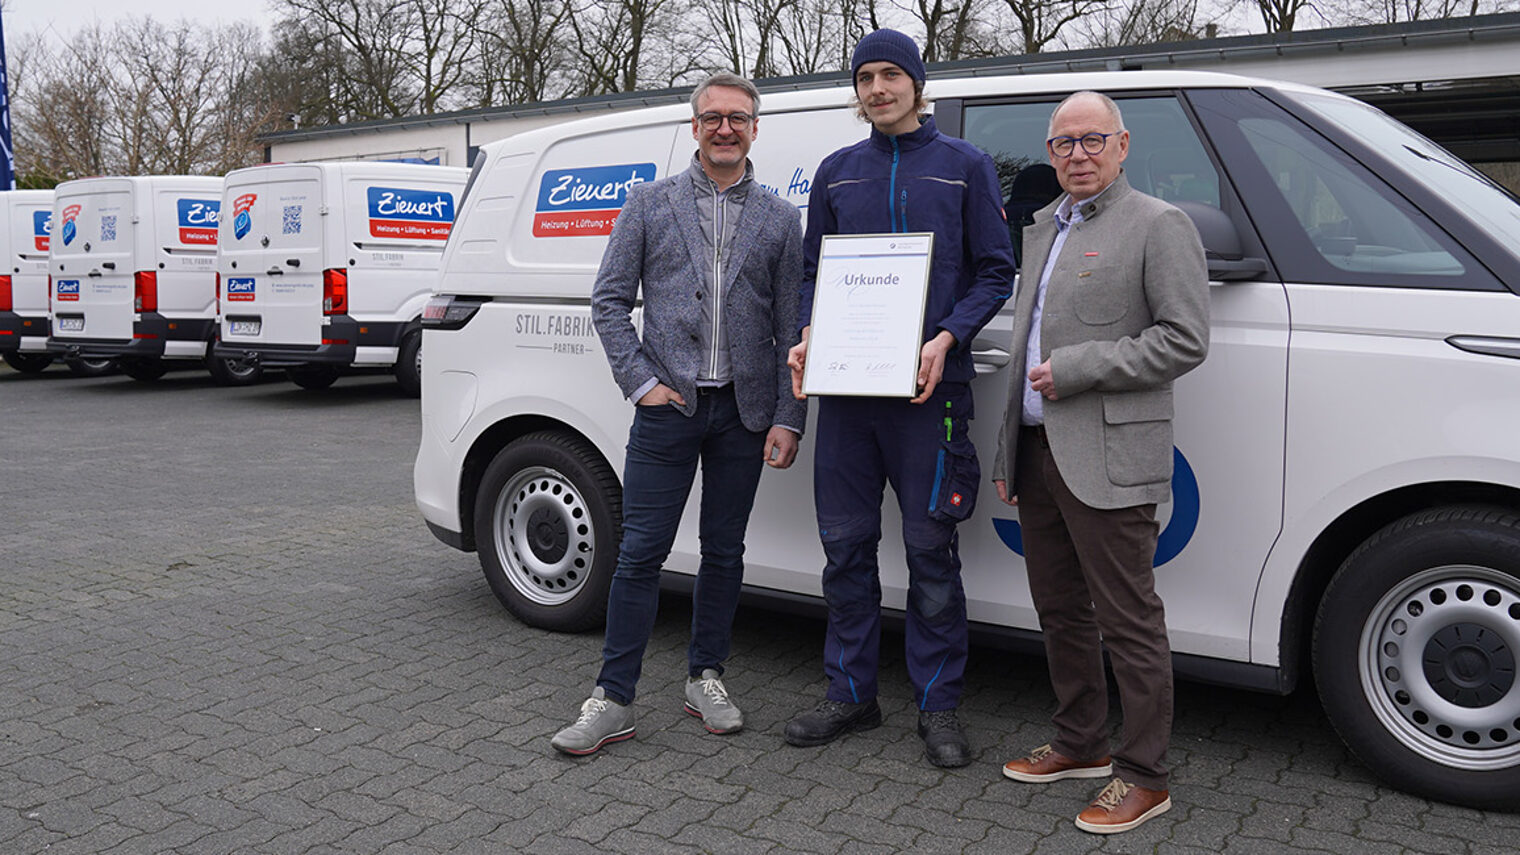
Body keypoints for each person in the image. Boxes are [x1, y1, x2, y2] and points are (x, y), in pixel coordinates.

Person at [552, 71, 806, 756]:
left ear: (756, 127)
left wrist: (788, 416)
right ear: (694, 126)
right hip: (669, 408)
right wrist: (641, 384)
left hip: (745, 415)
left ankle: (706, 676)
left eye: (739, 117)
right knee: (638, 554)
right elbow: (608, 301)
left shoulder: (783, 219)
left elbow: (793, 326)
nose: (726, 128)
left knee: (725, 552)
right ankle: (612, 697)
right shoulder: (648, 203)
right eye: (713, 117)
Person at [783, 29, 1015, 768]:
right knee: (845, 549)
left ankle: (938, 705)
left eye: (891, 74)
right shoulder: (836, 172)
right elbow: (813, 270)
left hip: (929, 396)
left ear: (917, 83)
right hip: (849, 398)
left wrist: (946, 336)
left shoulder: (965, 167)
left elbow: (994, 271)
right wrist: (809, 331)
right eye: (866, 77)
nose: (878, 87)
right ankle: (850, 692)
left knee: (930, 552)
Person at [990, 91, 1209, 833]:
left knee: (1128, 618)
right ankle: (1081, 740)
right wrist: (1007, 450)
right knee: (1060, 610)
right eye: (1062, 144)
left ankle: (1145, 774)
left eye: (1091, 141)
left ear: (1121, 145)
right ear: (1048, 155)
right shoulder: (1041, 227)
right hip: (1038, 450)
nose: (1076, 155)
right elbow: (1021, 349)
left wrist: (1081, 365)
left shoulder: (1158, 223)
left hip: (1109, 453)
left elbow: (1185, 339)